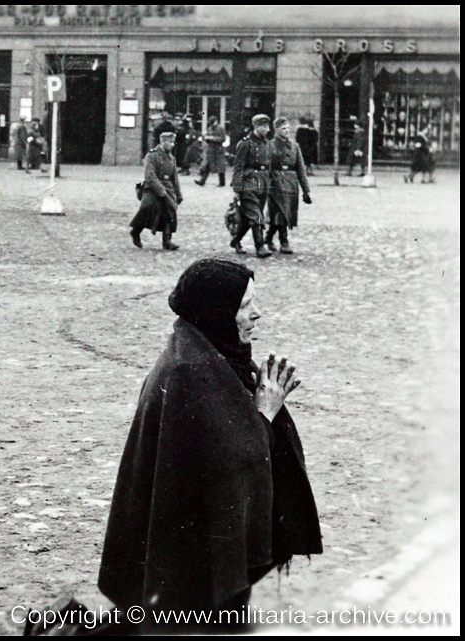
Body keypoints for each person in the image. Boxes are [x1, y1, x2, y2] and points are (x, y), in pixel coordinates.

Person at [98, 258, 322, 634]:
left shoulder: (206, 352)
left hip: (195, 544)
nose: (257, 313)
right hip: (191, 553)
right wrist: (264, 413)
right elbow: (233, 461)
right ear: (217, 313)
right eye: (245, 305)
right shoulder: (190, 370)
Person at [265, 117, 312, 255]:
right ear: (276, 130)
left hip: (291, 182)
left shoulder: (295, 146)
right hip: (275, 181)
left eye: (287, 128)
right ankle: (284, 241)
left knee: (283, 211)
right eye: (283, 129)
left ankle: (268, 238)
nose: (286, 131)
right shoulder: (270, 145)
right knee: (281, 209)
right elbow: (266, 166)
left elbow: (301, 169)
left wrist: (306, 190)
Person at [129, 131, 182, 251]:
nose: (172, 145)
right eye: (169, 142)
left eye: (173, 142)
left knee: (170, 212)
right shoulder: (152, 156)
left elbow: (175, 178)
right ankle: (135, 232)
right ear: (162, 142)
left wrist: (178, 194)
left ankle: (167, 242)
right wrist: (160, 191)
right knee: (147, 208)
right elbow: (150, 176)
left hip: (168, 188)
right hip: (152, 188)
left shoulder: (172, 158)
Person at [231, 114, 273, 258]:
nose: (267, 130)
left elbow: (269, 165)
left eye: (268, 126)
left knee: (250, 218)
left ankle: (236, 240)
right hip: (248, 183)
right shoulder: (245, 143)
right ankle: (260, 246)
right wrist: (237, 189)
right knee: (256, 216)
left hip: (263, 183)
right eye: (264, 127)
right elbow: (238, 167)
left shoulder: (266, 143)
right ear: (255, 126)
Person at [196, 115, 227, 187]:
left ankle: (222, 182)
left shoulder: (220, 128)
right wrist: (205, 137)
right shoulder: (210, 128)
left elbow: (223, 139)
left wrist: (211, 138)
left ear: (216, 121)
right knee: (208, 164)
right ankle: (202, 181)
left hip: (218, 149)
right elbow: (206, 136)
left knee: (220, 166)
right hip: (211, 149)